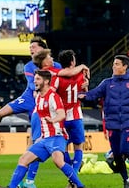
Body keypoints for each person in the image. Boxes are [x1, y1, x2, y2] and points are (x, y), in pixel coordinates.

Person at [0, 36, 61, 188]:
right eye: (30, 48)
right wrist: (38, 91)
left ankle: (29, 181)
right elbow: (31, 84)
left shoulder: (56, 65)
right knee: (0, 113)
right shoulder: (29, 66)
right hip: (28, 98)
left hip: (41, 105)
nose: (31, 50)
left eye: (34, 47)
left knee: (35, 142)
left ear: (43, 49)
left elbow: (64, 81)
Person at [0, 70, 85, 188]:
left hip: (57, 136)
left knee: (58, 161)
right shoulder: (38, 98)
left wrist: (53, 120)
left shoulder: (53, 97)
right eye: (34, 79)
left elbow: (62, 114)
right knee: (23, 159)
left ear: (46, 81)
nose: (34, 82)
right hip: (45, 138)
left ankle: (80, 186)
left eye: (38, 79)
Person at [78, 54, 129, 188]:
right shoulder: (107, 83)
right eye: (114, 64)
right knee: (117, 155)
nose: (113, 66)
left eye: (117, 64)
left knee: (125, 149)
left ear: (125, 67)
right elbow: (93, 94)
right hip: (112, 124)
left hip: (128, 122)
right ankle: (126, 181)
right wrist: (81, 95)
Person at [53, 50, 88, 184]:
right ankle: (74, 177)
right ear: (72, 62)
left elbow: (51, 94)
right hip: (76, 116)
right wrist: (85, 87)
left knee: (63, 149)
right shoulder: (80, 75)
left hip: (61, 118)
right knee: (78, 147)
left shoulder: (57, 78)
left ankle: (72, 178)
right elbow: (84, 93)